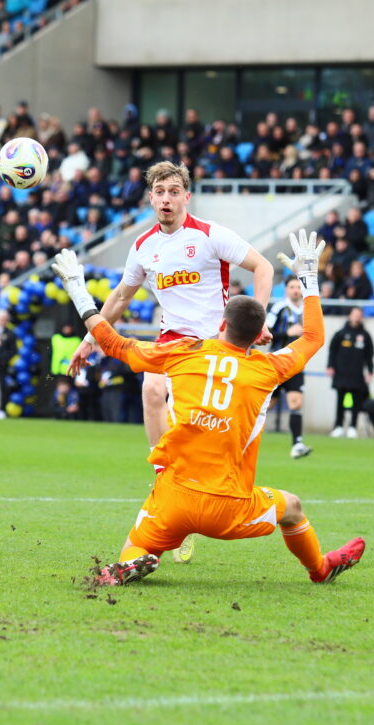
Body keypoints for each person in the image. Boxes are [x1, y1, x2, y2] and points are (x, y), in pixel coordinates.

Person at [51, 230, 365, 586]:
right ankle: (319, 570)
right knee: (291, 508)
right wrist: (309, 279)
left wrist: (77, 287)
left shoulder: (182, 353)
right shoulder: (268, 370)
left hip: (174, 499)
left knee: (136, 546)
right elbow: (313, 337)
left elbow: (114, 343)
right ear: (259, 333)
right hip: (229, 507)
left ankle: (137, 560)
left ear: (221, 324)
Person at [64, 161, 276, 563]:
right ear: (150, 198)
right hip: (173, 340)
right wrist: (89, 338)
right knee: (151, 387)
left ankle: (203, 496)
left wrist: (256, 320)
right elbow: (121, 298)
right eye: (159, 192)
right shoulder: (144, 246)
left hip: (218, 341)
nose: (166, 199)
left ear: (186, 197)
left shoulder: (212, 235)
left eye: (173, 191)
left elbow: (264, 267)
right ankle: (165, 481)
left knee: (212, 426)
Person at [266, 277, 312, 458]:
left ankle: (297, 444)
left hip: (296, 364)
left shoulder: (307, 310)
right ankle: (240, 434)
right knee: (265, 404)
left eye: (298, 287)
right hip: (277, 363)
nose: (295, 290)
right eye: (292, 287)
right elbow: (266, 332)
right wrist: (287, 333)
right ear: (285, 290)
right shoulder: (279, 308)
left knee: (296, 403)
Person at [327, 307, 374, 438]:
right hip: (341, 373)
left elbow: (369, 356)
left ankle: (353, 427)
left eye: (359, 315)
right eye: (354, 314)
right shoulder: (340, 334)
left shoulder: (365, 336)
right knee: (340, 401)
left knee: (356, 402)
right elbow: (332, 351)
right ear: (350, 315)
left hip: (357, 375)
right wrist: (330, 366)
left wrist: (370, 371)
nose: (356, 317)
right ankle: (338, 426)